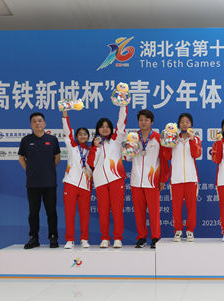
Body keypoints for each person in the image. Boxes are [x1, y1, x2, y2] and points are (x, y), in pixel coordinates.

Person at [87, 103, 128, 248]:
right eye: (102, 127)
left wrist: (123, 106)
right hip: (100, 181)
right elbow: (91, 163)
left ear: (111, 129)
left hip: (116, 179)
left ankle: (117, 238)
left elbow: (121, 123)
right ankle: (105, 237)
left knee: (117, 210)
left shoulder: (116, 140)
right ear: (97, 129)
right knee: (103, 211)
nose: (104, 129)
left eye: (107, 126)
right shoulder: (95, 145)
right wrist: (94, 147)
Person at [18, 112, 61, 249]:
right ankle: (34, 238)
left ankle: (53, 237)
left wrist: (48, 169)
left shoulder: (52, 139)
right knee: (33, 212)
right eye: (34, 121)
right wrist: (30, 170)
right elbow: (21, 158)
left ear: (45, 123)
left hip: (49, 182)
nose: (37, 123)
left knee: (51, 212)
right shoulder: (26, 140)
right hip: (33, 183)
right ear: (31, 125)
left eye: (40, 120)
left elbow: (57, 157)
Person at [126, 109, 165, 250]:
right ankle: (141, 237)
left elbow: (164, 160)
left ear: (151, 122)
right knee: (139, 211)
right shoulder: (132, 137)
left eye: (146, 120)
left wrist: (163, 179)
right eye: (141, 120)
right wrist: (132, 149)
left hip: (152, 179)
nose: (143, 122)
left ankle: (155, 237)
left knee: (154, 211)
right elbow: (127, 157)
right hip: (136, 179)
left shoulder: (158, 138)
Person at [160, 113, 202, 242]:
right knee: (176, 207)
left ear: (191, 124)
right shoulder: (173, 139)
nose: (185, 124)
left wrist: (191, 139)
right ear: (178, 124)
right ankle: (178, 230)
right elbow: (167, 157)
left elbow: (196, 154)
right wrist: (167, 143)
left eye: (187, 122)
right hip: (176, 179)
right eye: (182, 122)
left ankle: (190, 231)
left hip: (191, 178)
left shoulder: (195, 139)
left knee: (191, 207)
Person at [62, 110, 92, 249]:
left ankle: (84, 239)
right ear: (76, 136)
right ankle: (70, 240)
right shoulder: (72, 146)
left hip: (86, 185)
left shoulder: (92, 150)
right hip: (71, 183)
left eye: (85, 134)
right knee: (69, 213)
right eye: (80, 134)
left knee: (85, 214)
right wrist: (65, 115)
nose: (82, 136)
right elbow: (67, 131)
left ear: (88, 136)